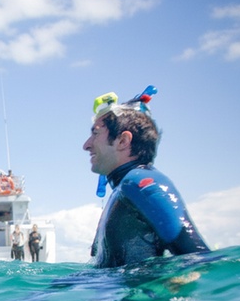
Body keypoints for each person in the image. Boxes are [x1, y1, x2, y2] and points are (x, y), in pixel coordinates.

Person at [82, 86, 209, 268]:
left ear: (123, 141)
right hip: (120, 292)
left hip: (140, 294)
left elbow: (198, 258)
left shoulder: (139, 183)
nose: (86, 145)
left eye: (95, 133)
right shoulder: (125, 190)